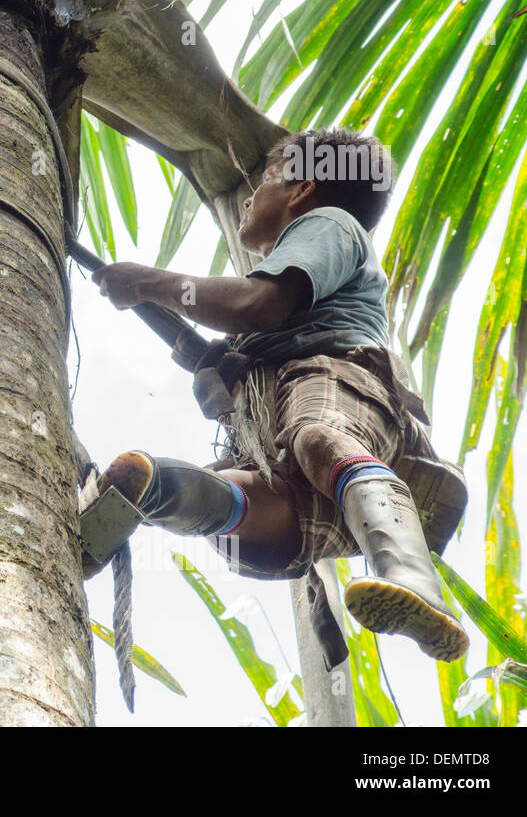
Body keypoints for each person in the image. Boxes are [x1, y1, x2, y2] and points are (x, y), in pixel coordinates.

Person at [88, 128, 468, 662]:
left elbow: (256, 304)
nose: (250, 194)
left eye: (266, 178)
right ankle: (143, 493)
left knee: (318, 435)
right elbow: (243, 331)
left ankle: (411, 576)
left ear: (302, 189)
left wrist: (148, 283)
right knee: (232, 512)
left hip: (333, 381)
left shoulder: (330, 223)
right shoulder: (305, 268)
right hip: (293, 456)